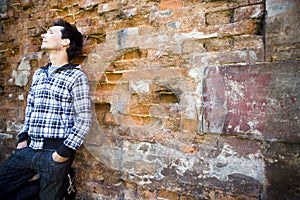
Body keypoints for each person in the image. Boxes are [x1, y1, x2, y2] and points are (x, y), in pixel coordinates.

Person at [0, 19, 92, 199]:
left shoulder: (76, 75)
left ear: (65, 42)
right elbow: (30, 109)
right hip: (28, 149)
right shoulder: (39, 74)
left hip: (54, 154)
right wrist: (22, 138)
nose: (44, 35)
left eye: (50, 32)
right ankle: (63, 183)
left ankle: (62, 183)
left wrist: (62, 153)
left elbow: (84, 119)